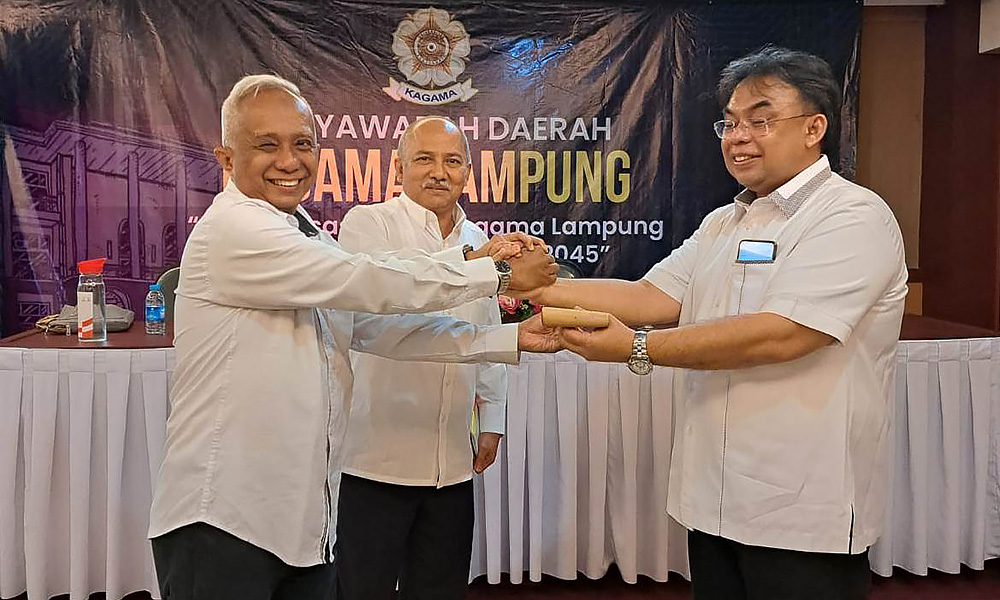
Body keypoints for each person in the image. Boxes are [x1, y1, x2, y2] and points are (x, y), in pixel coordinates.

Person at [147, 74, 559, 600]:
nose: (289, 161)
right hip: (224, 520)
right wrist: (492, 272)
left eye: (302, 144)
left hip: (301, 525)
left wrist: (511, 340)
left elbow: (380, 331)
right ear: (226, 159)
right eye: (267, 145)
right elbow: (368, 279)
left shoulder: (303, 230)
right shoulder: (236, 229)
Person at [531, 47, 908, 600]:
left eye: (761, 120)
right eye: (730, 123)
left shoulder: (852, 216)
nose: (739, 137)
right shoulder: (724, 221)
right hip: (713, 497)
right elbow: (649, 295)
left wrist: (637, 348)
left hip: (802, 506)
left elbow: (785, 333)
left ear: (814, 128)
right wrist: (527, 287)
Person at [334, 116, 515, 599]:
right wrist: (469, 266)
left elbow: (487, 334)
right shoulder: (367, 225)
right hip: (374, 459)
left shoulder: (479, 239)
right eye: (424, 159)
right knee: (362, 590)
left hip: (451, 462)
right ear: (398, 169)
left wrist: (493, 417)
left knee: (440, 587)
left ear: (468, 172)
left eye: (452, 161)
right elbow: (380, 315)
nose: (439, 172)